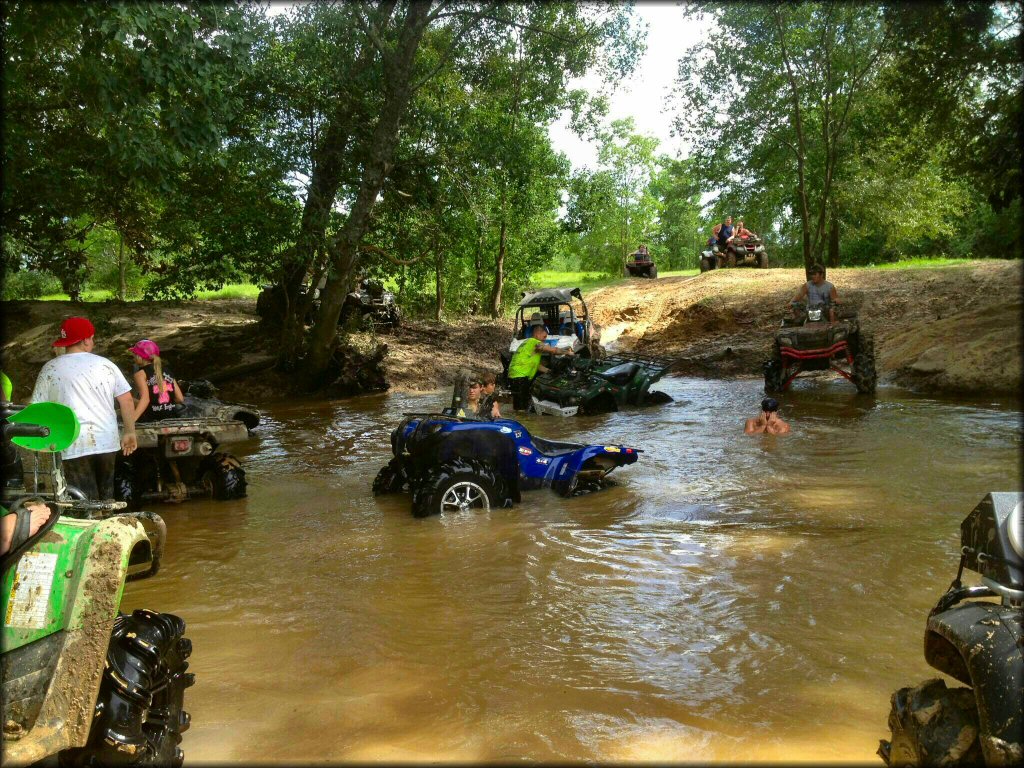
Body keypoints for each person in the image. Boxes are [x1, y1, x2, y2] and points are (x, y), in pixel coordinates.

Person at [31, 317, 137, 500]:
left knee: (85, 501)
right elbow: (127, 400)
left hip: (72, 442)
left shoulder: (51, 369)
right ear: (87, 340)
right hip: (106, 440)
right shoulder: (106, 365)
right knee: (107, 497)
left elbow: (37, 409)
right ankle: (109, 523)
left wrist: (42, 443)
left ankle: (92, 523)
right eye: (92, 338)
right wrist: (129, 432)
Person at [507, 325, 574, 412]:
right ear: (537, 334)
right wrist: (567, 352)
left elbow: (536, 365)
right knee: (522, 409)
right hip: (520, 377)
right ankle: (523, 422)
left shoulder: (526, 343)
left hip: (515, 376)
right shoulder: (534, 342)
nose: (545, 339)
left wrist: (549, 371)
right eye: (544, 336)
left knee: (520, 405)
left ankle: (521, 419)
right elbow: (553, 350)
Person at [129, 339, 185, 422]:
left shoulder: (140, 374)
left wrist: (131, 421)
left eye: (134, 354)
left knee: (127, 398)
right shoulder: (167, 371)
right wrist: (164, 405)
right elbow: (180, 398)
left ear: (140, 356)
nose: (133, 357)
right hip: (171, 416)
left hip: (152, 417)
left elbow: (145, 400)